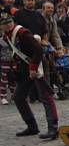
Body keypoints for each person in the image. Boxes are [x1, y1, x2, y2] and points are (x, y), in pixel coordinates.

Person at [1, 11, 59, 139]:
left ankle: (53, 128)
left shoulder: (22, 33)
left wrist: (33, 69)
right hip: (25, 67)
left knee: (45, 96)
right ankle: (32, 126)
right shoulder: (7, 35)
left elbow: (38, 50)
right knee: (18, 97)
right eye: (5, 23)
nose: (8, 25)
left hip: (37, 64)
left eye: (9, 22)